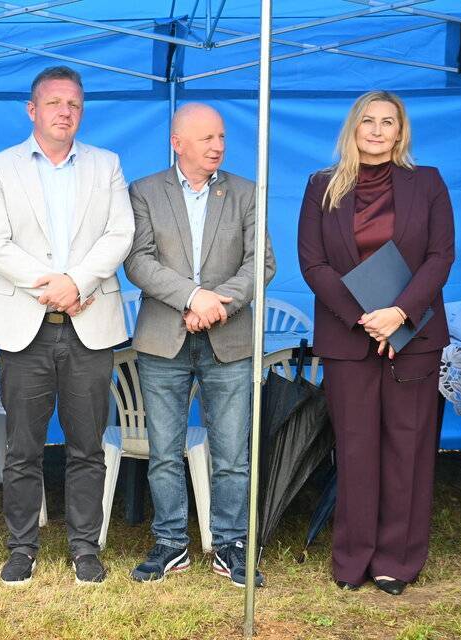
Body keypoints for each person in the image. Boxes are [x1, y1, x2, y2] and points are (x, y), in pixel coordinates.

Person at [0, 65, 134, 586]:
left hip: (89, 324)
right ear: (32, 110)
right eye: (55, 103)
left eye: (74, 104)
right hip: (26, 326)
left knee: (88, 445)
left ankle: (85, 548)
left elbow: (120, 234)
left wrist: (78, 283)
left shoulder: (107, 164)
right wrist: (54, 286)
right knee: (23, 448)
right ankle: (22, 548)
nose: (66, 112)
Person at [297, 90, 454, 595]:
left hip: (415, 335)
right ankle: (353, 558)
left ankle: (396, 561)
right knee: (356, 447)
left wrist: (399, 313)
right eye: (369, 120)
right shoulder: (321, 186)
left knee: (407, 447)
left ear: (400, 131)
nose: (378, 130)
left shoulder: (427, 182)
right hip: (349, 336)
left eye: (389, 122)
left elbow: (440, 255)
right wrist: (366, 319)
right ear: (354, 127)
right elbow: (312, 262)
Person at [124, 102, 275, 587]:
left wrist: (216, 305)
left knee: (232, 456)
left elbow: (261, 263)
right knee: (164, 452)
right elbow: (138, 261)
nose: (218, 146)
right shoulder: (144, 191)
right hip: (162, 338)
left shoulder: (247, 192)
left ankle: (230, 544)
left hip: (228, 338)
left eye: (222, 137)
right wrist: (193, 297)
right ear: (177, 142)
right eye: (207, 137)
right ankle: (170, 543)